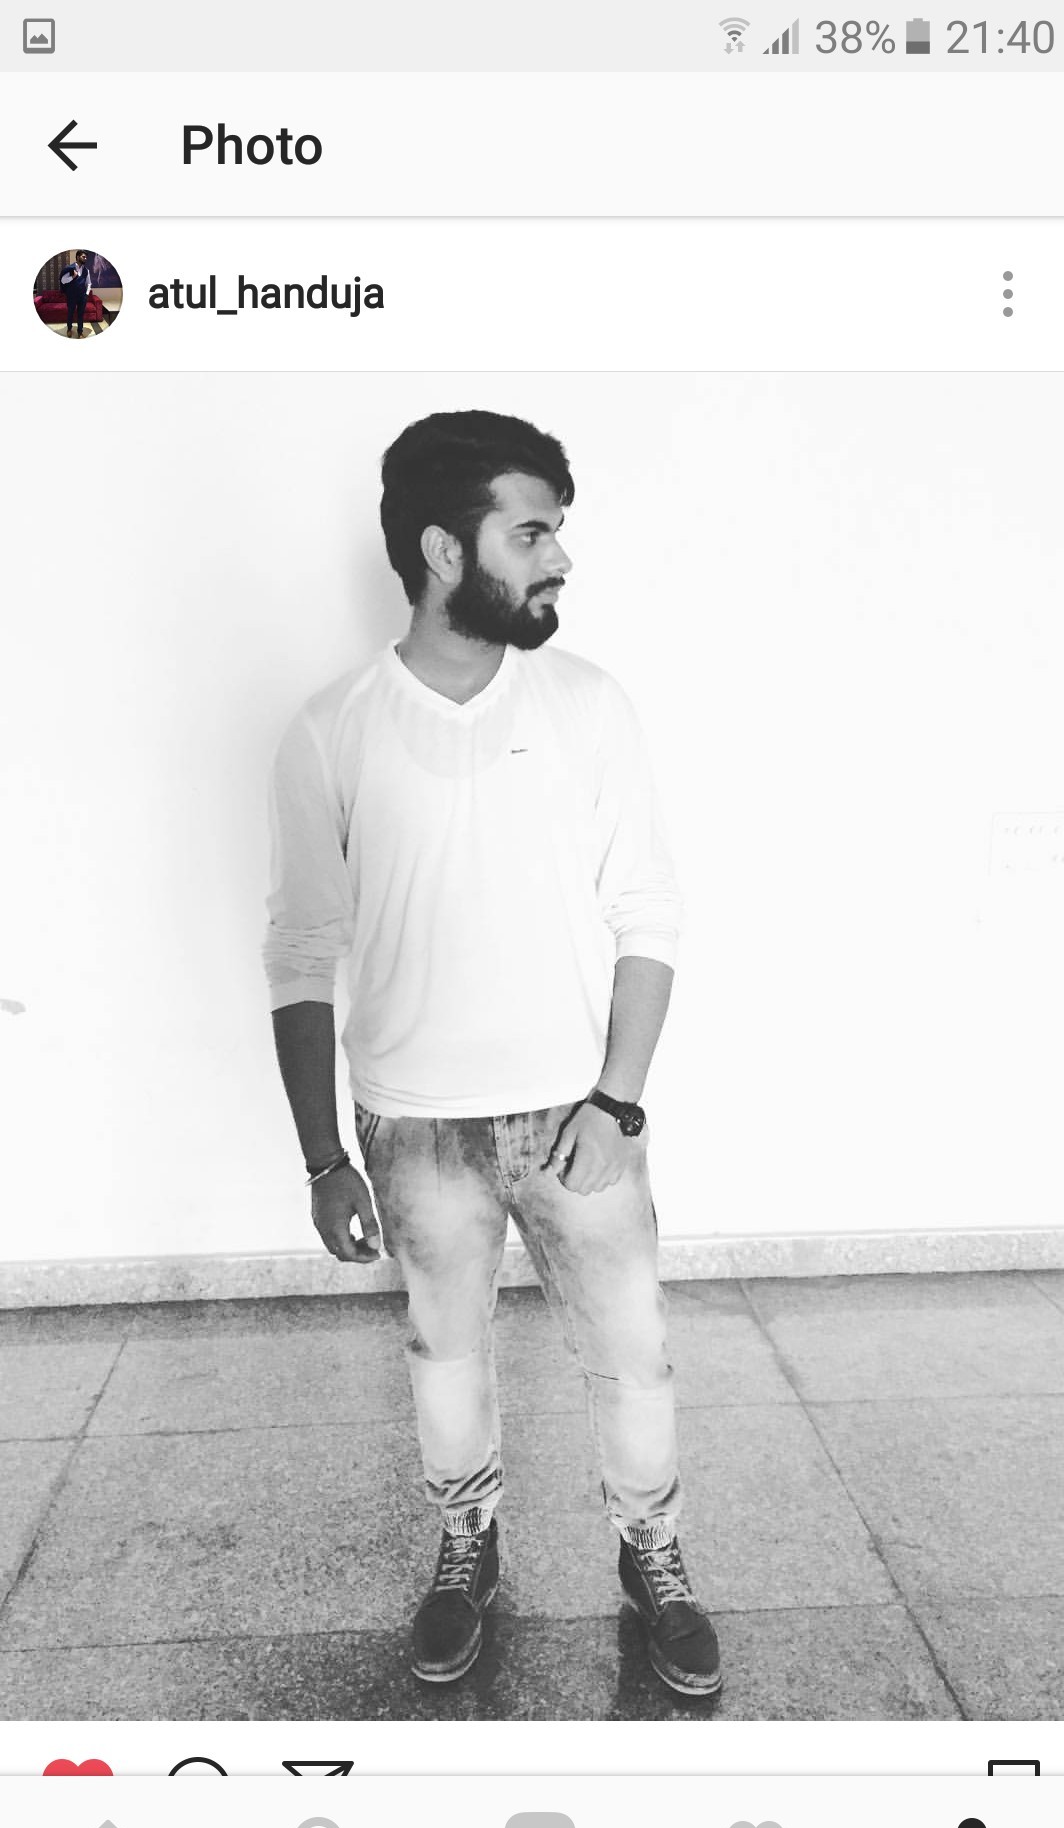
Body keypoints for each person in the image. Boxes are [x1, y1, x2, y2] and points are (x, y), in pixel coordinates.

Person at [263, 409, 721, 1699]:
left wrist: (619, 1103)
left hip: (580, 1118)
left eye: (557, 530)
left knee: (633, 1356)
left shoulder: (586, 706)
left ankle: (653, 1555)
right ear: (443, 550)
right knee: (445, 1358)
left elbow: (651, 912)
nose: (559, 557)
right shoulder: (332, 728)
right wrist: (323, 1159)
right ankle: (467, 1548)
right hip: (413, 1127)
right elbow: (299, 950)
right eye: (532, 532)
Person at [59, 251, 91, 337]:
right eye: (83, 257)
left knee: (81, 314)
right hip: (71, 296)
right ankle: (69, 329)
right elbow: (63, 280)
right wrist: (73, 277)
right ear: (77, 257)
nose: (85, 258)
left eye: (86, 257)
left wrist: (87, 294)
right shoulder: (70, 268)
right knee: (70, 313)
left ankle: (80, 332)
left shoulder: (86, 271)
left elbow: (88, 283)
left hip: (82, 296)